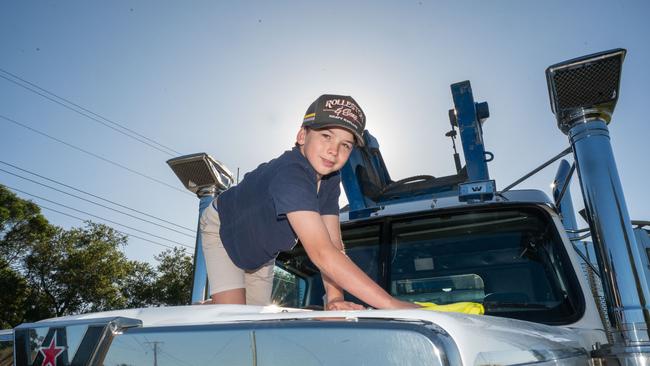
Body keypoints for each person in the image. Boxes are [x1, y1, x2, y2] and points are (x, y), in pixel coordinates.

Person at [200, 94, 418, 310]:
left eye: (346, 145)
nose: (334, 150)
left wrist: (335, 299)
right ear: (302, 135)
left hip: (260, 252)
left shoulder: (331, 179)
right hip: (224, 229)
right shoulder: (291, 175)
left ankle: (216, 306)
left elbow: (333, 244)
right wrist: (391, 303)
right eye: (326, 136)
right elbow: (322, 253)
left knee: (255, 327)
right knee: (236, 323)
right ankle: (211, 309)